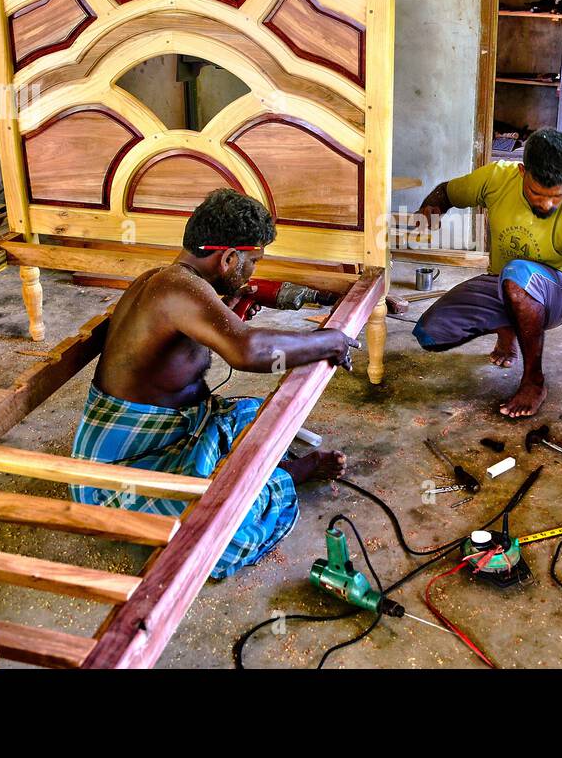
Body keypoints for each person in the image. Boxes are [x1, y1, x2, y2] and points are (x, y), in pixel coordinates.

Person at [70, 189, 351, 578]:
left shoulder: (171, 279)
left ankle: (272, 472)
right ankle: (290, 475)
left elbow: (239, 313)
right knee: (222, 535)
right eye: (251, 262)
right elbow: (248, 351)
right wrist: (331, 341)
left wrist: (311, 297)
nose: (252, 272)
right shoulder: (176, 288)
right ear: (228, 257)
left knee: (253, 415)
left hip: (176, 431)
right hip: (123, 468)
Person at [411, 128, 562, 418]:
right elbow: (446, 192)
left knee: (517, 275)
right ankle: (508, 332)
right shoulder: (496, 178)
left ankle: (533, 380)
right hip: (507, 280)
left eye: (556, 196)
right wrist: (429, 211)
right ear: (521, 171)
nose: (546, 204)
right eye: (537, 193)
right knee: (431, 333)